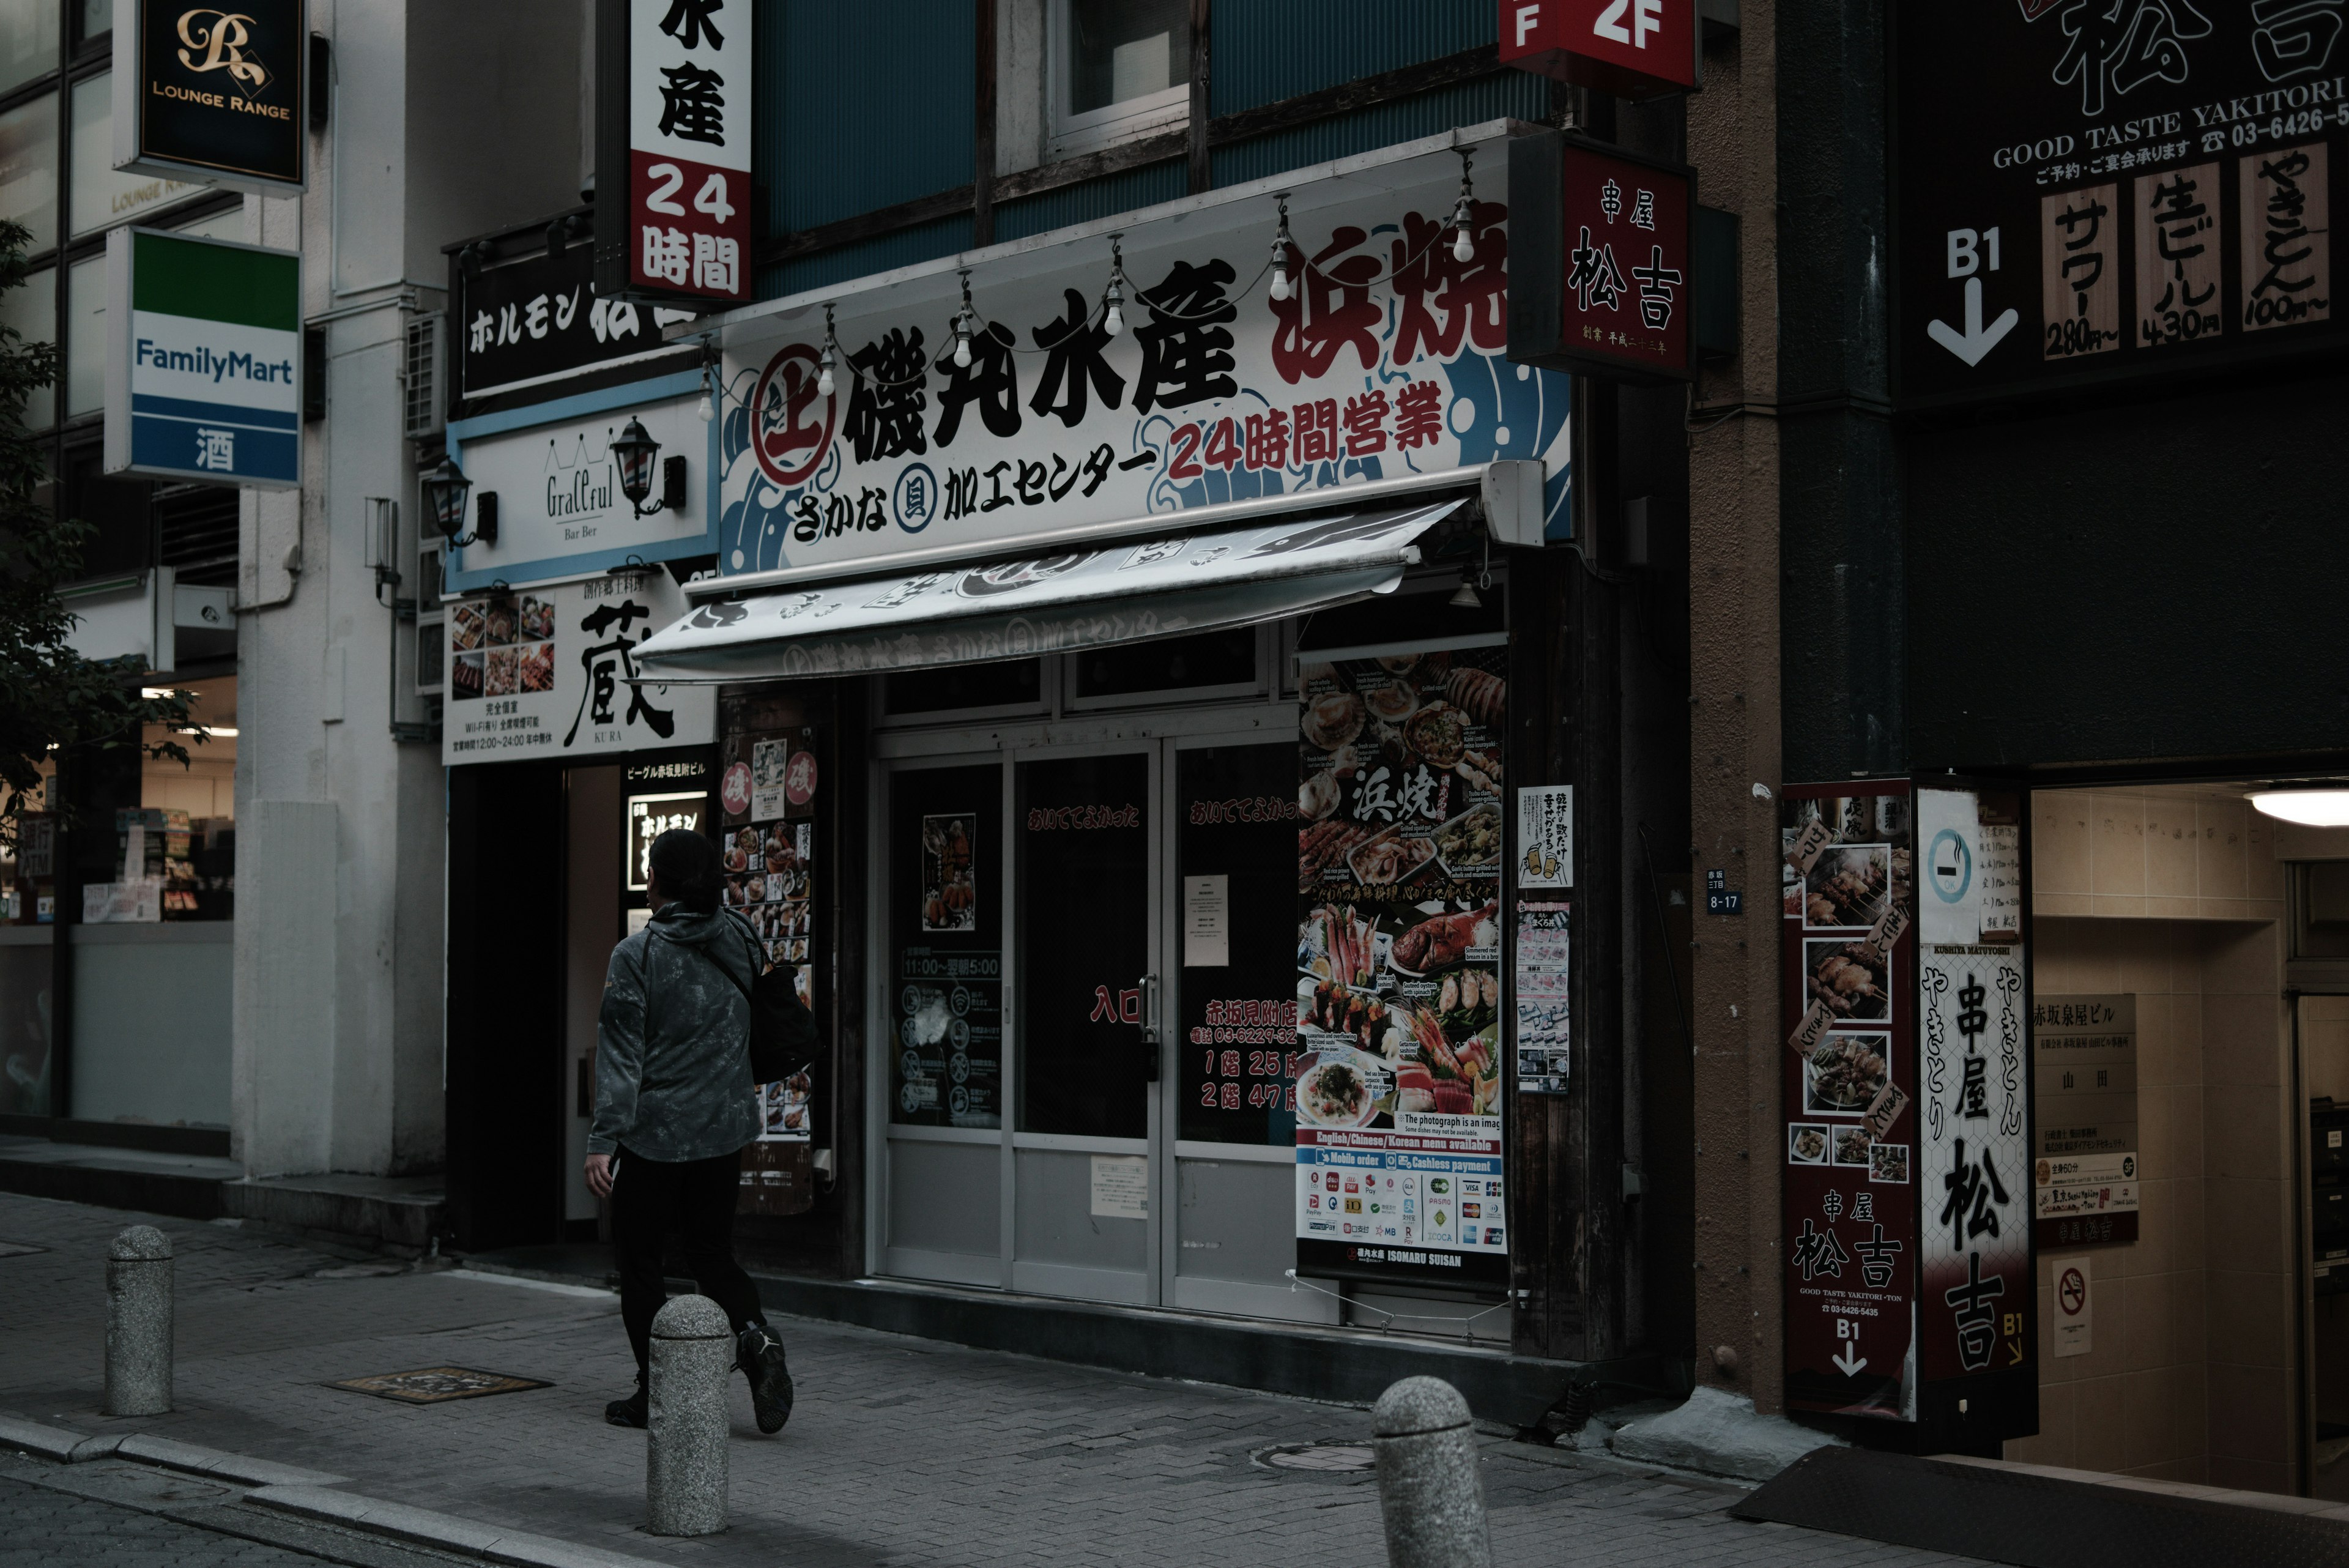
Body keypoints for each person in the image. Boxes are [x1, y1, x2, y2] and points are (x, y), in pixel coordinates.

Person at [584, 827, 795, 1433]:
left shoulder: (638, 954)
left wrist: (603, 1141)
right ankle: (755, 1337)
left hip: (655, 1135)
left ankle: (659, 1390)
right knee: (711, 1251)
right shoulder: (741, 935)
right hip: (726, 1127)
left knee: (642, 1261)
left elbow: (622, 1057)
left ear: (661, 881)